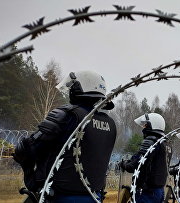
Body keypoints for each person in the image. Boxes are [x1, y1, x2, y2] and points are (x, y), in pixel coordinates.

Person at [13, 70, 117, 202]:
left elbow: (27, 149)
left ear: (79, 87)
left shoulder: (67, 115)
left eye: (72, 87)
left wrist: (29, 171)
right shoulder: (110, 124)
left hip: (59, 196)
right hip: (94, 196)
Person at [120, 113, 168, 203]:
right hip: (159, 190)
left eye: (145, 125)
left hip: (147, 192)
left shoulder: (150, 141)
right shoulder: (162, 143)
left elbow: (135, 165)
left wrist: (124, 164)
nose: (143, 128)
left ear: (152, 125)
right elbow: (141, 157)